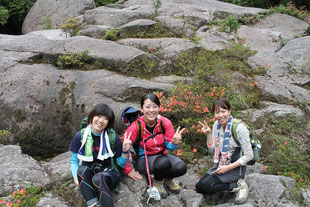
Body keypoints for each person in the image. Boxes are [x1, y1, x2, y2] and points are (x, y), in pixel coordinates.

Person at [122, 93, 187, 198]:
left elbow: (168, 146)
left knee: (181, 167)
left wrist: (174, 143)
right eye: (147, 107)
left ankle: (167, 179)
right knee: (164, 163)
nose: (151, 110)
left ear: (159, 108)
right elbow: (123, 148)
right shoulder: (136, 127)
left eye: (155, 106)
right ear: (142, 109)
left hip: (161, 155)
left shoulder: (165, 122)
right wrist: (128, 170)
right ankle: (158, 181)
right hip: (143, 159)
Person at [69, 103, 132, 207]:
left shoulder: (112, 137)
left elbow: (120, 164)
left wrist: (125, 151)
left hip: (109, 173)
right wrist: (76, 178)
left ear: (109, 122)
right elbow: (74, 161)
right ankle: (93, 205)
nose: (100, 121)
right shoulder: (81, 135)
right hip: (91, 172)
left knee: (98, 178)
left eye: (105, 118)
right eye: (98, 116)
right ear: (92, 117)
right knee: (81, 170)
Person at [195, 97, 253, 205]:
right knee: (199, 187)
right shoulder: (217, 126)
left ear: (229, 111)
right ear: (214, 114)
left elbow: (249, 155)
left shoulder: (239, 128)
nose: (221, 115)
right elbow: (213, 149)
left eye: (223, 111)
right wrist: (208, 134)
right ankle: (235, 185)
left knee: (206, 185)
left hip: (235, 169)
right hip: (220, 165)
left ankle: (239, 185)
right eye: (217, 112)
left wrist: (228, 168)